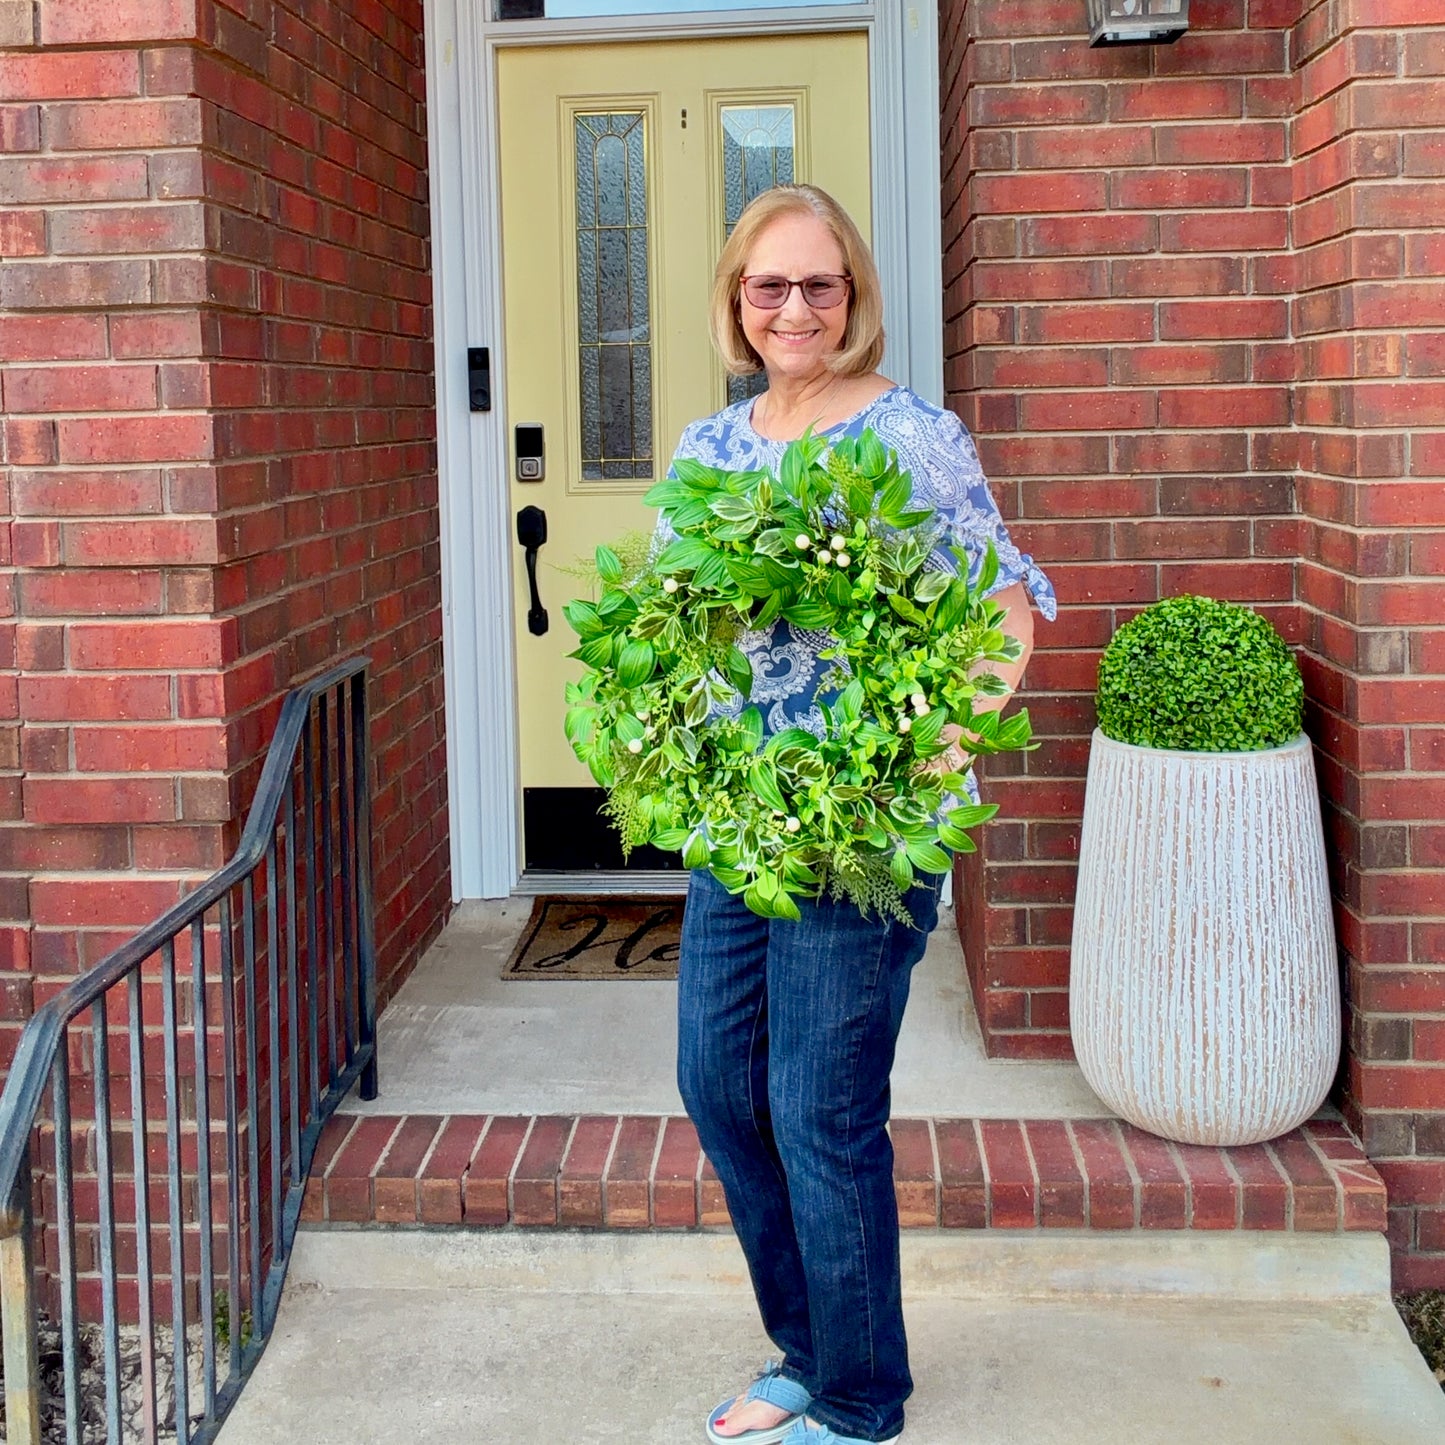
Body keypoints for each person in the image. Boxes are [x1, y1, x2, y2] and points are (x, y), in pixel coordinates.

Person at [669, 185, 1055, 1445]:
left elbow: (1004, 606)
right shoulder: (707, 448)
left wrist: (941, 738)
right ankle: (805, 1347)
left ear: (853, 298)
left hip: (861, 826)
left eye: (818, 285)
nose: (794, 307)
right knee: (721, 1087)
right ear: (736, 300)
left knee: (819, 1109)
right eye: (768, 286)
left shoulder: (907, 435)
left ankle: (857, 1398)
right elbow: (680, 627)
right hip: (742, 823)